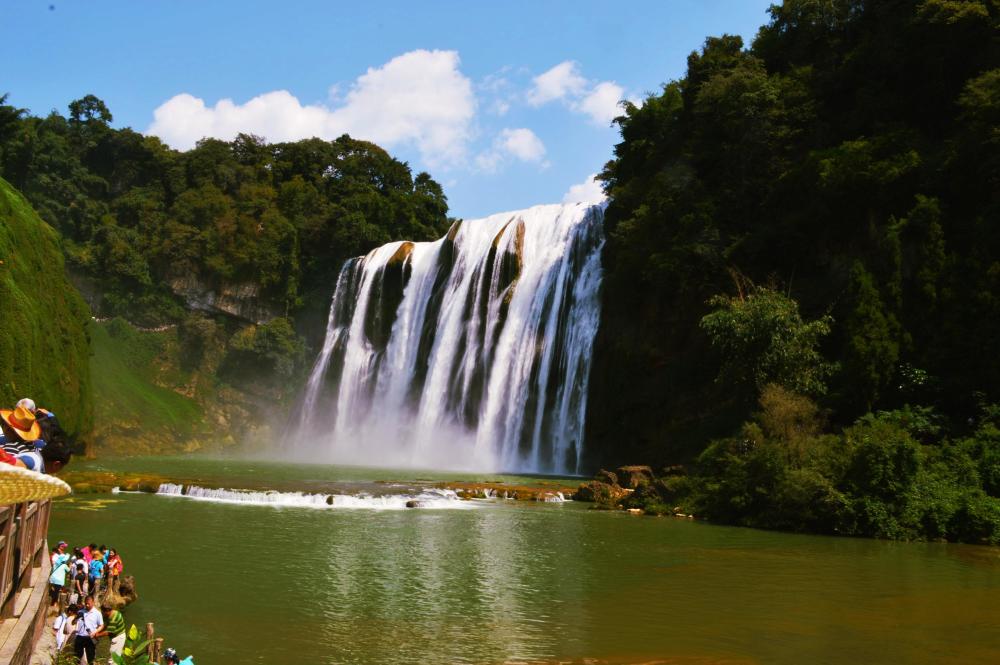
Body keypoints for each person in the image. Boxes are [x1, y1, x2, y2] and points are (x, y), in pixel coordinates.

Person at [74, 595, 103, 665]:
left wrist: (95, 632)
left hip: (90, 637)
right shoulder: (80, 612)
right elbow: (73, 622)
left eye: (88, 603)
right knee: (76, 657)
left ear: (93, 602)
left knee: (91, 658)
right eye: (86, 603)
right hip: (80, 636)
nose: (87, 605)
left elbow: (101, 625)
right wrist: (76, 618)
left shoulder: (97, 613)